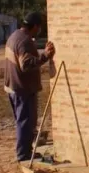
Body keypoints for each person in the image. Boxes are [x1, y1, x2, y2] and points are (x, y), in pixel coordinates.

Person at [4, 12, 55, 162]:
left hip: (13, 86)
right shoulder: (24, 41)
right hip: (22, 88)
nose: (39, 31)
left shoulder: (14, 36)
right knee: (26, 122)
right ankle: (23, 154)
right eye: (39, 27)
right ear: (35, 26)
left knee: (23, 122)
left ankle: (25, 151)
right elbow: (26, 64)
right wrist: (45, 56)